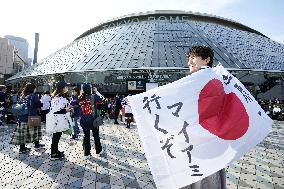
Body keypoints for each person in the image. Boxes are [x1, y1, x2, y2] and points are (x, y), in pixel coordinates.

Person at [186, 45, 226, 189]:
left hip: (200, 138)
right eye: (188, 58)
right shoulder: (217, 78)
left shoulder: (201, 78)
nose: (189, 62)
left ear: (207, 60)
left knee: (200, 176)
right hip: (212, 137)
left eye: (193, 57)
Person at [10, 83, 45, 153]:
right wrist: (41, 103)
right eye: (35, 88)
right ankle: (37, 145)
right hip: (32, 115)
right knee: (35, 131)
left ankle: (22, 149)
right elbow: (39, 104)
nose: (36, 89)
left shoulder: (23, 96)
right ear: (32, 89)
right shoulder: (34, 96)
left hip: (22, 116)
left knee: (23, 133)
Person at [79, 84, 103, 157]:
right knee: (96, 135)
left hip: (83, 119)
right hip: (93, 119)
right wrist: (96, 91)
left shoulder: (80, 97)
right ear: (90, 89)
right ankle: (98, 151)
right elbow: (102, 98)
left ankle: (87, 153)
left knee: (86, 136)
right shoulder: (93, 96)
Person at [50, 81, 69, 160]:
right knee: (56, 136)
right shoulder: (58, 97)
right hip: (57, 120)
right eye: (66, 87)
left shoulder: (59, 96)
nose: (67, 88)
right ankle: (53, 154)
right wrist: (66, 109)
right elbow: (56, 110)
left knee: (57, 136)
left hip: (59, 119)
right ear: (62, 88)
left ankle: (56, 151)